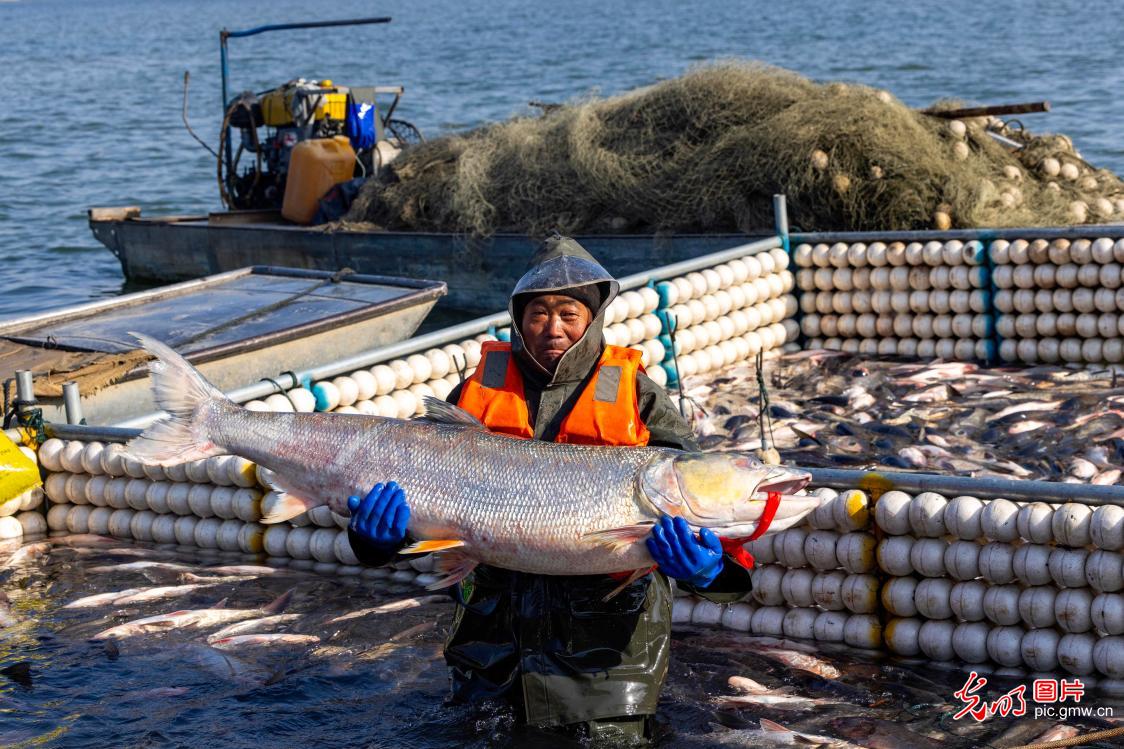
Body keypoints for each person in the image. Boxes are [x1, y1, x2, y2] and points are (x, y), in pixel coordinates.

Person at [346, 236, 753, 743]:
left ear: (593, 320)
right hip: (489, 654)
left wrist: (710, 570)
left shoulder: (639, 396)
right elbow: (434, 513)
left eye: (569, 314)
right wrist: (377, 542)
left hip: (605, 670)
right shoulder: (476, 393)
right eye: (538, 313)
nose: (553, 328)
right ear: (519, 319)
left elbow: (699, 505)